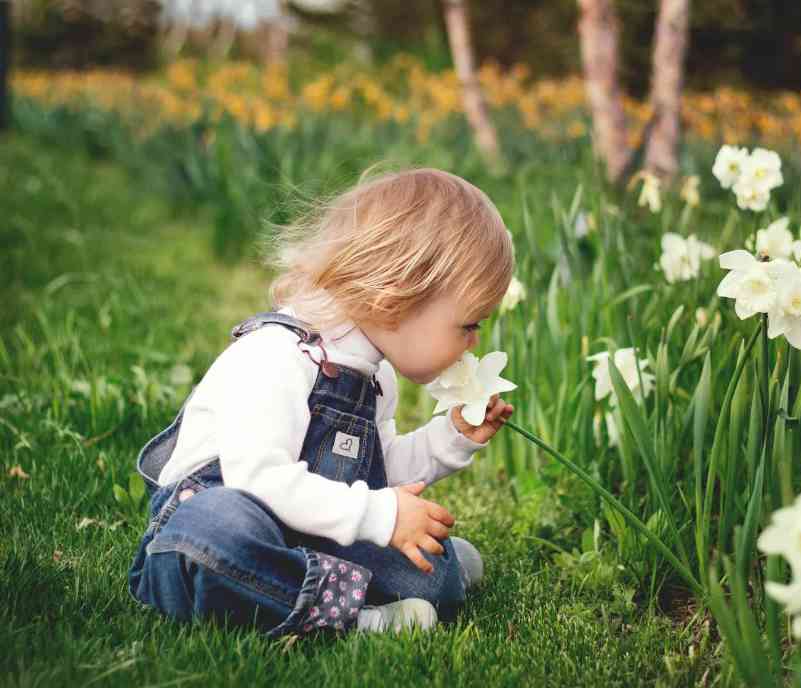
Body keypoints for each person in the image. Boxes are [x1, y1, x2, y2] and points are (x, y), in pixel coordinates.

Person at [127, 167, 515, 637]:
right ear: (396, 299)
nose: (473, 343)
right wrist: (380, 516)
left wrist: (451, 438)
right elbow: (259, 480)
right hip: (221, 528)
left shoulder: (374, 376)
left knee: (436, 577)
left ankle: (327, 584)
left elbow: (377, 472)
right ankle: (355, 619)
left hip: (306, 528)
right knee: (214, 534)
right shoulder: (278, 356)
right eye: (468, 325)